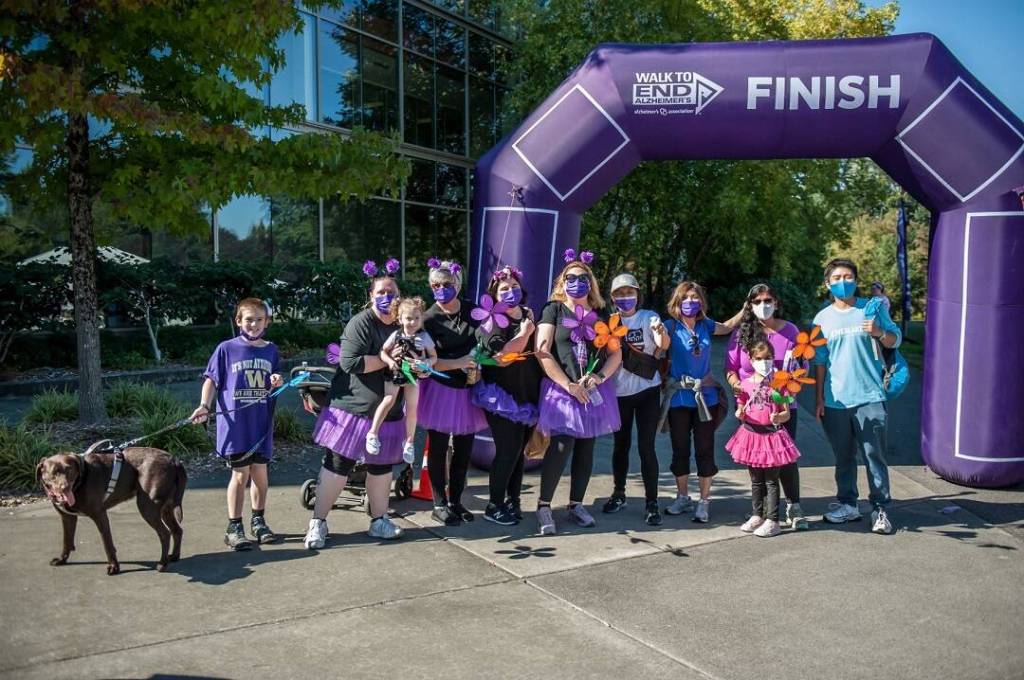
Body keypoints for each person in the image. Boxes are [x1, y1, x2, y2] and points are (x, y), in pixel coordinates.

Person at [302, 259, 409, 549]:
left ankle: (379, 521)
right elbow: (349, 362)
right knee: (338, 466)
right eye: (381, 293)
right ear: (371, 297)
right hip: (352, 408)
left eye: (392, 292)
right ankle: (318, 523)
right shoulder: (361, 323)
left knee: (381, 468)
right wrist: (391, 360)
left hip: (388, 411)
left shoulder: (405, 323)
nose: (387, 297)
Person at [534, 249, 622, 535]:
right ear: (562, 282)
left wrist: (598, 378)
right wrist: (568, 385)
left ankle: (576, 505)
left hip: (593, 391)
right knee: (561, 447)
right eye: (570, 278)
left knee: (587, 448)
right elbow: (542, 350)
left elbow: (615, 355)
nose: (577, 282)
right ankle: (544, 506)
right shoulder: (553, 309)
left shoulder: (604, 315)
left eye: (583, 278)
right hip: (562, 390)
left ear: (591, 282)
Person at [813, 258, 902, 535]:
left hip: (870, 396)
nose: (843, 282)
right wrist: (818, 399)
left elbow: (895, 339)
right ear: (828, 283)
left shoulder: (871, 308)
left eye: (848, 276)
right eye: (837, 277)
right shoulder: (822, 318)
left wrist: (879, 332)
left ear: (855, 279)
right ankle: (848, 504)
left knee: (874, 456)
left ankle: (880, 509)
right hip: (835, 400)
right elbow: (820, 361)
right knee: (843, 457)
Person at [191, 298, 282, 551]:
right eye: (249, 319)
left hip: (260, 424)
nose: (254, 324)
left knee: (260, 475)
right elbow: (211, 379)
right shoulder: (226, 349)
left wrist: (275, 380)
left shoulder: (271, 350)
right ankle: (234, 527)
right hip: (236, 426)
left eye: (259, 320)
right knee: (240, 475)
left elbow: (274, 379)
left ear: (267, 322)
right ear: (238, 321)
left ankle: (259, 521)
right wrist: (204, 406)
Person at [724, 283, 808, 530]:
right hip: (752, 409)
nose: (764, 305)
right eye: (758, 301)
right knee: (758, 463)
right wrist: (736, 385)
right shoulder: (742, 333)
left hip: (782, 407)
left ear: (776, 302)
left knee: (785, 459)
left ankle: (793, 505)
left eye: (768, 300)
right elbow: (730, 368)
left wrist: (798, 372)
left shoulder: (790, 331)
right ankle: (759, 513)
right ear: (750, 305)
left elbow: (802, 367)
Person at [471, 265, 543, 525]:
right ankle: (494, 505)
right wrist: (524, 333)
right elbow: (502, 359)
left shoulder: (530, 315)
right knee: (507, 451)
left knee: (519, 452)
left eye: (514, 287)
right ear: (494, 294)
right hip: (500, 397)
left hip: (527, 395)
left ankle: (513, 500)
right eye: (504, 289)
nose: (510, 292)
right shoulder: (491, 322)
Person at [419, 258, 488, 526]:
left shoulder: (473, 311)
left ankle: (456, 501)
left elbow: (486, 343)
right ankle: (439, 503)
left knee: (464, 450)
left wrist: (481, 363)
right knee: (437, 448)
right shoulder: (428, 318)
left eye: (447, 283)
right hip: (441, 388)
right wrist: (459, 363)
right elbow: (428, 360)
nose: (441, 288)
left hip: (468, 389)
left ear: (457, 284)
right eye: (435, 284)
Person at [663, 281, 736, 524]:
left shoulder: (705, 325)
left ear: (701, 302)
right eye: (686, 298)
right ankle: (682, 497)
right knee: (680, 449)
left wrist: (746, 309)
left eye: (695, 298)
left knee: (705, 449)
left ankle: (704, 501)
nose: (690, 302)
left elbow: (726, 328)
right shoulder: (670, 327)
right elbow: (659, 344)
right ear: (677, 301)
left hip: (706, 398)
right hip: (679, 398)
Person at [600, 273, 670, 526]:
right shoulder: (608, 322)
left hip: (647, 392)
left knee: (646, 447)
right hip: (618, 394)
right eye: (620, 294)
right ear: (612, 298)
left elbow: (663, 343)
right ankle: (619, 493)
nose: (625, 298)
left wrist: (660, 334)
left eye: (630, 293)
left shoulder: (649, 317)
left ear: (638, 295)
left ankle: (652, 502)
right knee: (621, 446)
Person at [726, 340, 801, 538]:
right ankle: (757, 515)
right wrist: (740, 413)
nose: (763, 362)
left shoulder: (778, 385)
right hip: (751, 435)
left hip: (771, 437)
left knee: (771, 480)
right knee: (756, 480)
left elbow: (786, 412)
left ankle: (773, 520)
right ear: (750, 360)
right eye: (758, 359)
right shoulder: (745, 385)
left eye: (767, 358)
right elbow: (741, 406)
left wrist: (779, 417)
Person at [367, 296, 436, 463]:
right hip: (396, 372)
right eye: (408, 318)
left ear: (421, 318)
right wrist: (390, 361)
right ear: (400, 318)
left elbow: (434, 357)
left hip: (413, 374)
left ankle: (409, 442)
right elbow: (382, 352)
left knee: (412, 408)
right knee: (388, 400)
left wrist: (426, 363)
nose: (412, 322)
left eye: (416, 318)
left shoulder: (425, 337)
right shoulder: (395, 335)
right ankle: (372, 433)